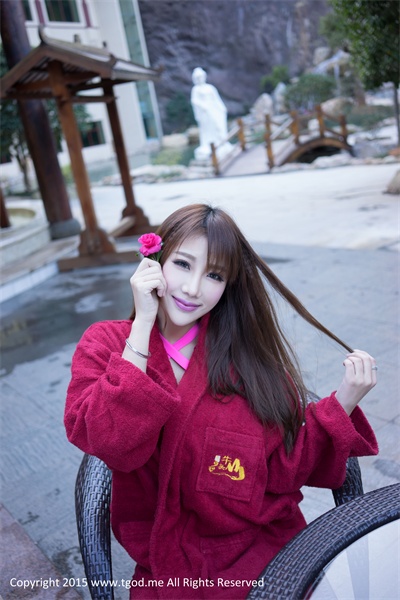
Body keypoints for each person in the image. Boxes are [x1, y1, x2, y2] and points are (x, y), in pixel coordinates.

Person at [65, 204, 378, 599]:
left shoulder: (247, 361)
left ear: (228, 285)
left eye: (214, 275)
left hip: (267, 556)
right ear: (154, 262)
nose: (192, 288)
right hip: (169, 570)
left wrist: (344, 401)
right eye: (182, 264)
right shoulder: (106, 344)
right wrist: (142, 325)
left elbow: (283, 470)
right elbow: (109, 441)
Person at [190, 67, 232, 161]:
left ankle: (222, 142)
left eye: (201, 77)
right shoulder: (196, 89)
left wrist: (222, 107)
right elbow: (194, 101)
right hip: (205, 113)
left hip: (214, 109)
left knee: (219, 126)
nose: (200, 79)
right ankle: (210, 145)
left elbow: (216, 99)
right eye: (198, 77)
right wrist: (203, 106)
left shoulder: (210, 88)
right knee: (209, 130)